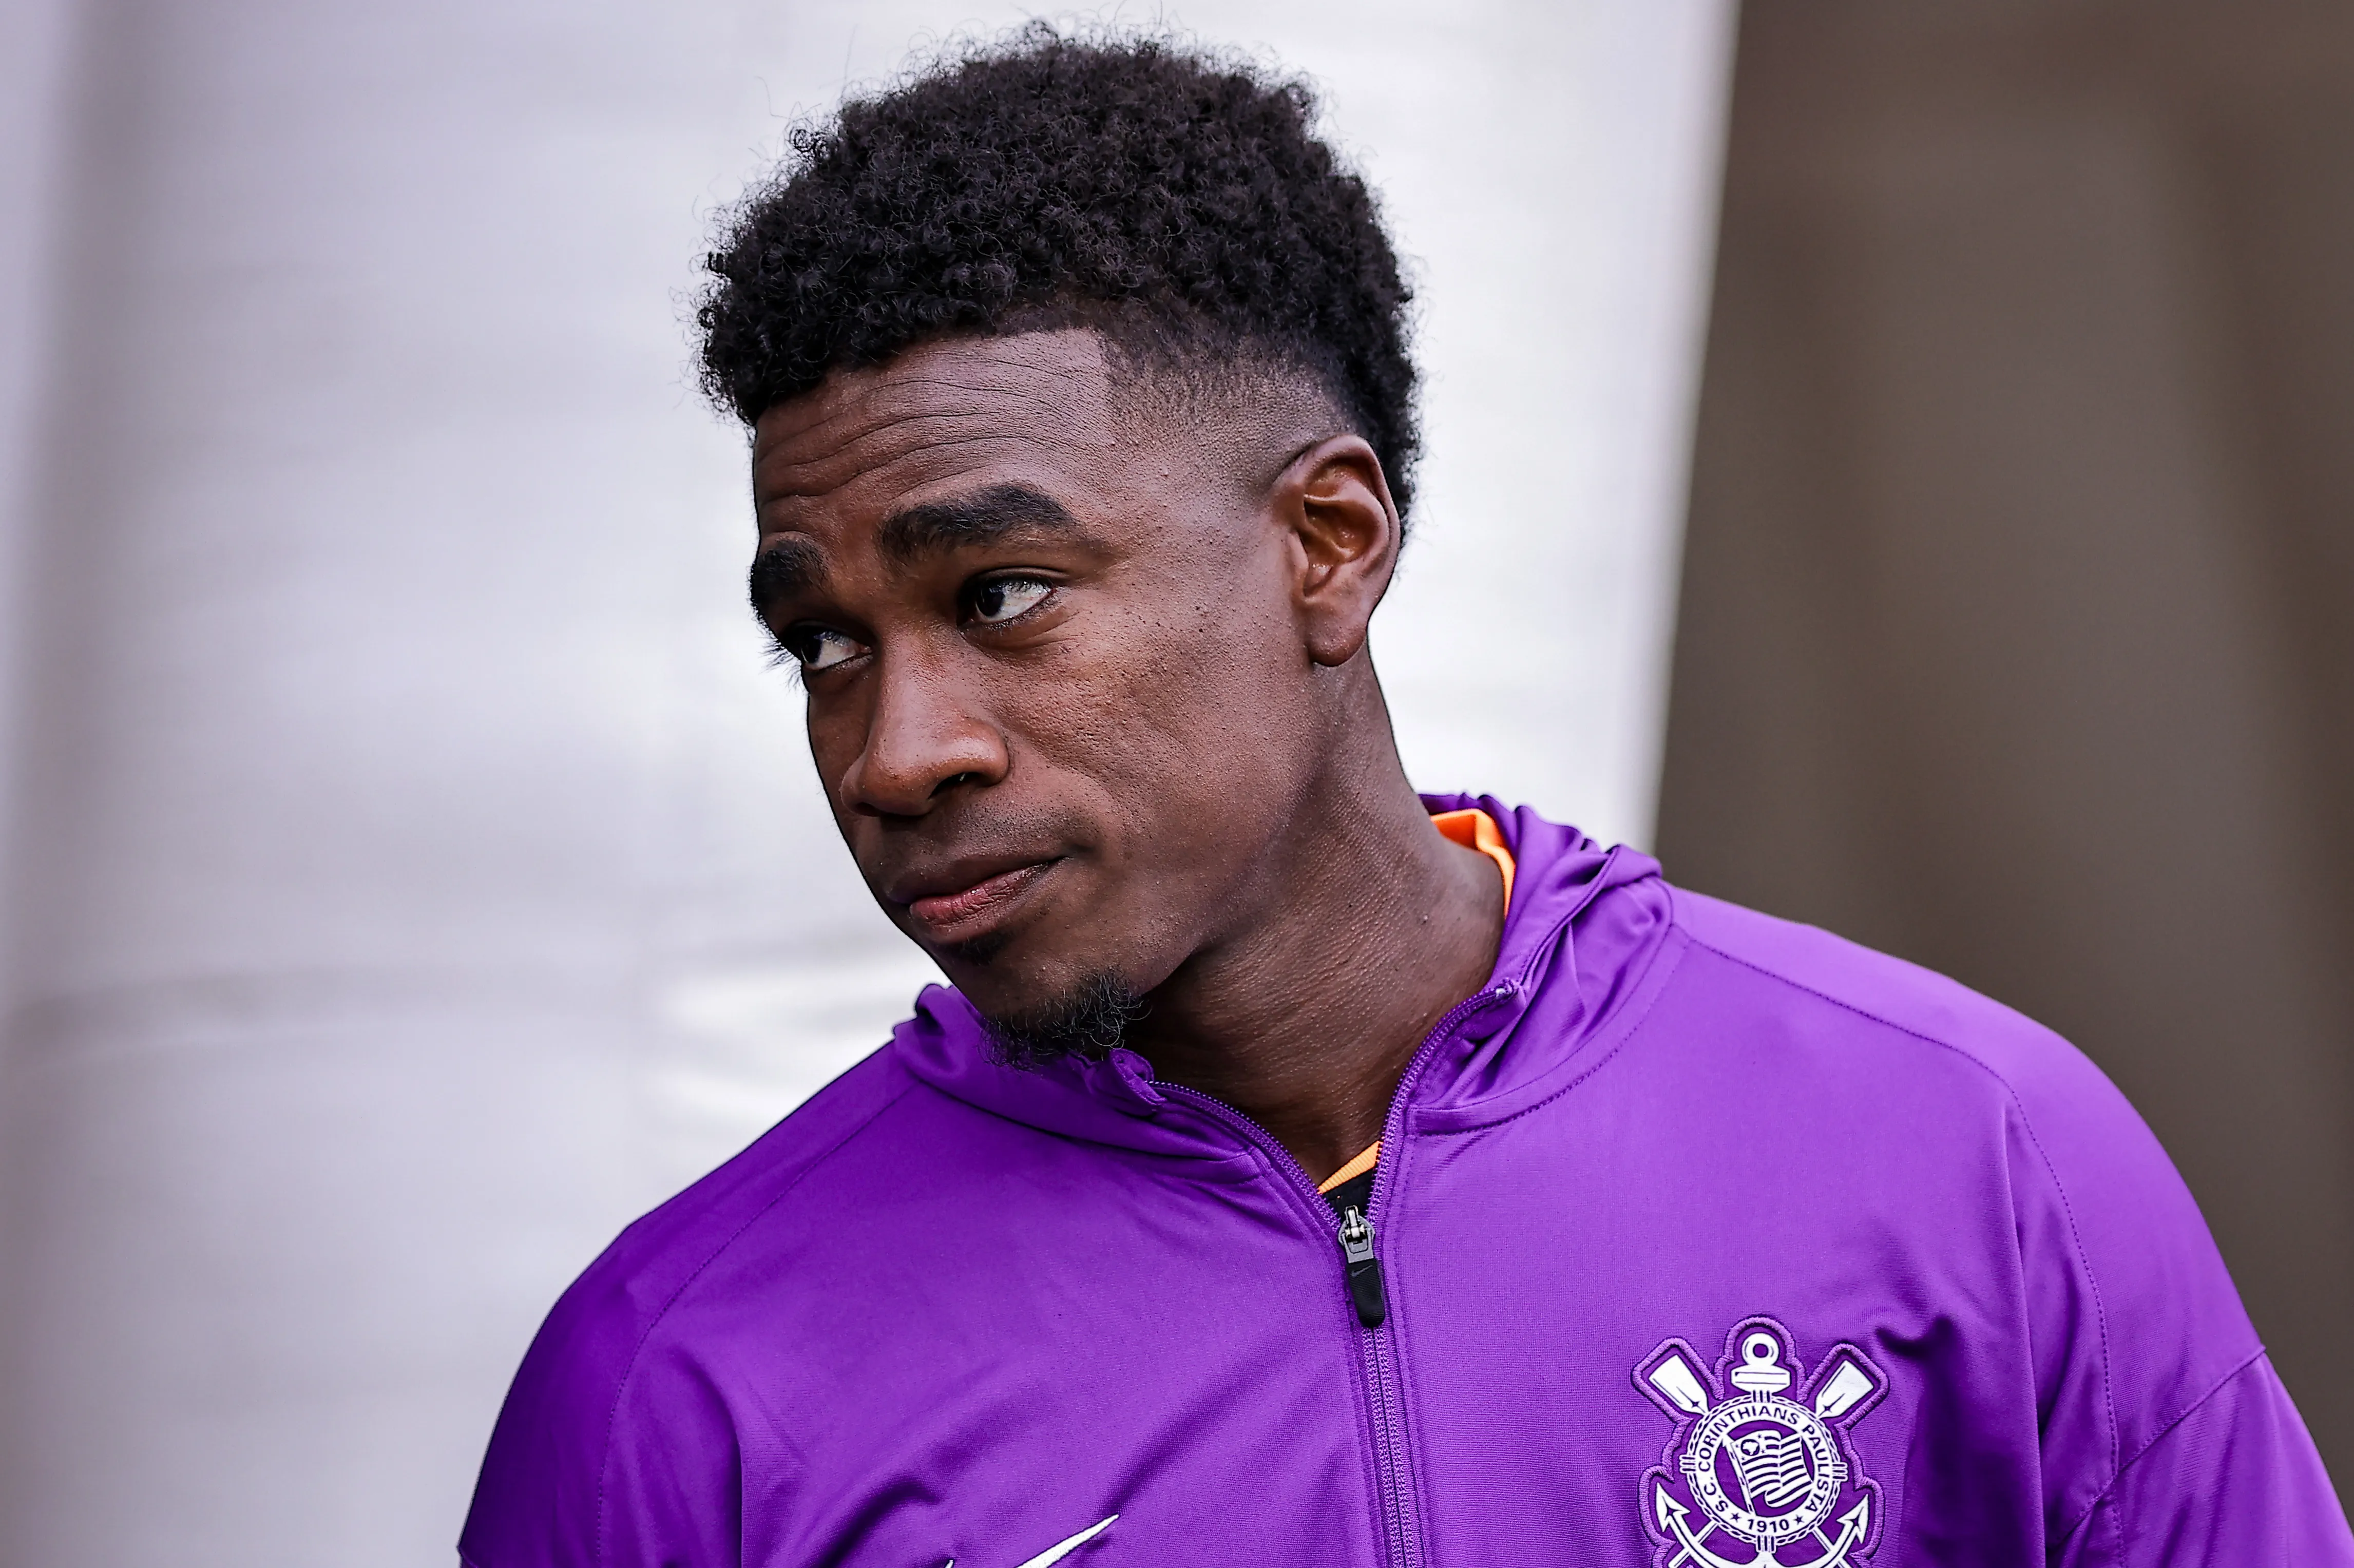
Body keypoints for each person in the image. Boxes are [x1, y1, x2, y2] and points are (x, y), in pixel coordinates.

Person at [460, 29, 2351, 1568]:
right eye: (826, 643)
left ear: (1329, 546)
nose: (894, 752)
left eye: (999, 596)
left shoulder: (1971, 1157)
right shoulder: (677, 1393)